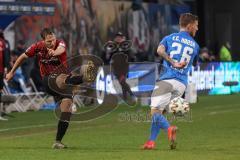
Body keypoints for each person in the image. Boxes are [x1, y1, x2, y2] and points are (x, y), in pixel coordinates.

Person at [6, 28, 89, 149]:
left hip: (64, 84)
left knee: (66, 111)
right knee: (61, 78)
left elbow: (61, 49)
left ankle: (57, 142)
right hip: (48, 80)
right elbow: (22, 57)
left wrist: (54, 53)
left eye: (53, 39)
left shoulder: (60, 43)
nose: (52, 42)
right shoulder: (37, 47)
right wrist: (12, 72)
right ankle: (84, 77)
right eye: (49, 41)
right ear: (43, 40)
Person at [142, 13, 200, 150]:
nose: (197, 29)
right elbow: (195, 64)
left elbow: (159, 50)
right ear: (190, 25)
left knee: (155, 111)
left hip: (166, 80)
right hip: (181, 85)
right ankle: (151, 142)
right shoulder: (196, 46)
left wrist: (172, 61)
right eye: (196, 26)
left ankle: (169, 129)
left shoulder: (169, 38)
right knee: (161, 113)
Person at [103, 32, 136, 105]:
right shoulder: (112, 46)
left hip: (124, 67)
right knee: (122, 83)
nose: (118, 38)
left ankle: (132, 95)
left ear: (122, 38)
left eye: (120, 37)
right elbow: (107, 57)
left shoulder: (125, 45)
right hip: (116, 67)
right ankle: (125, 99)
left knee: (122, 81)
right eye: (117, 37)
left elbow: (131, 55)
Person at [0, 29, 8, 121]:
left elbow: (5, 55)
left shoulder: (3, 42)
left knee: (0, 92)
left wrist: (5, 67)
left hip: (0, 71)